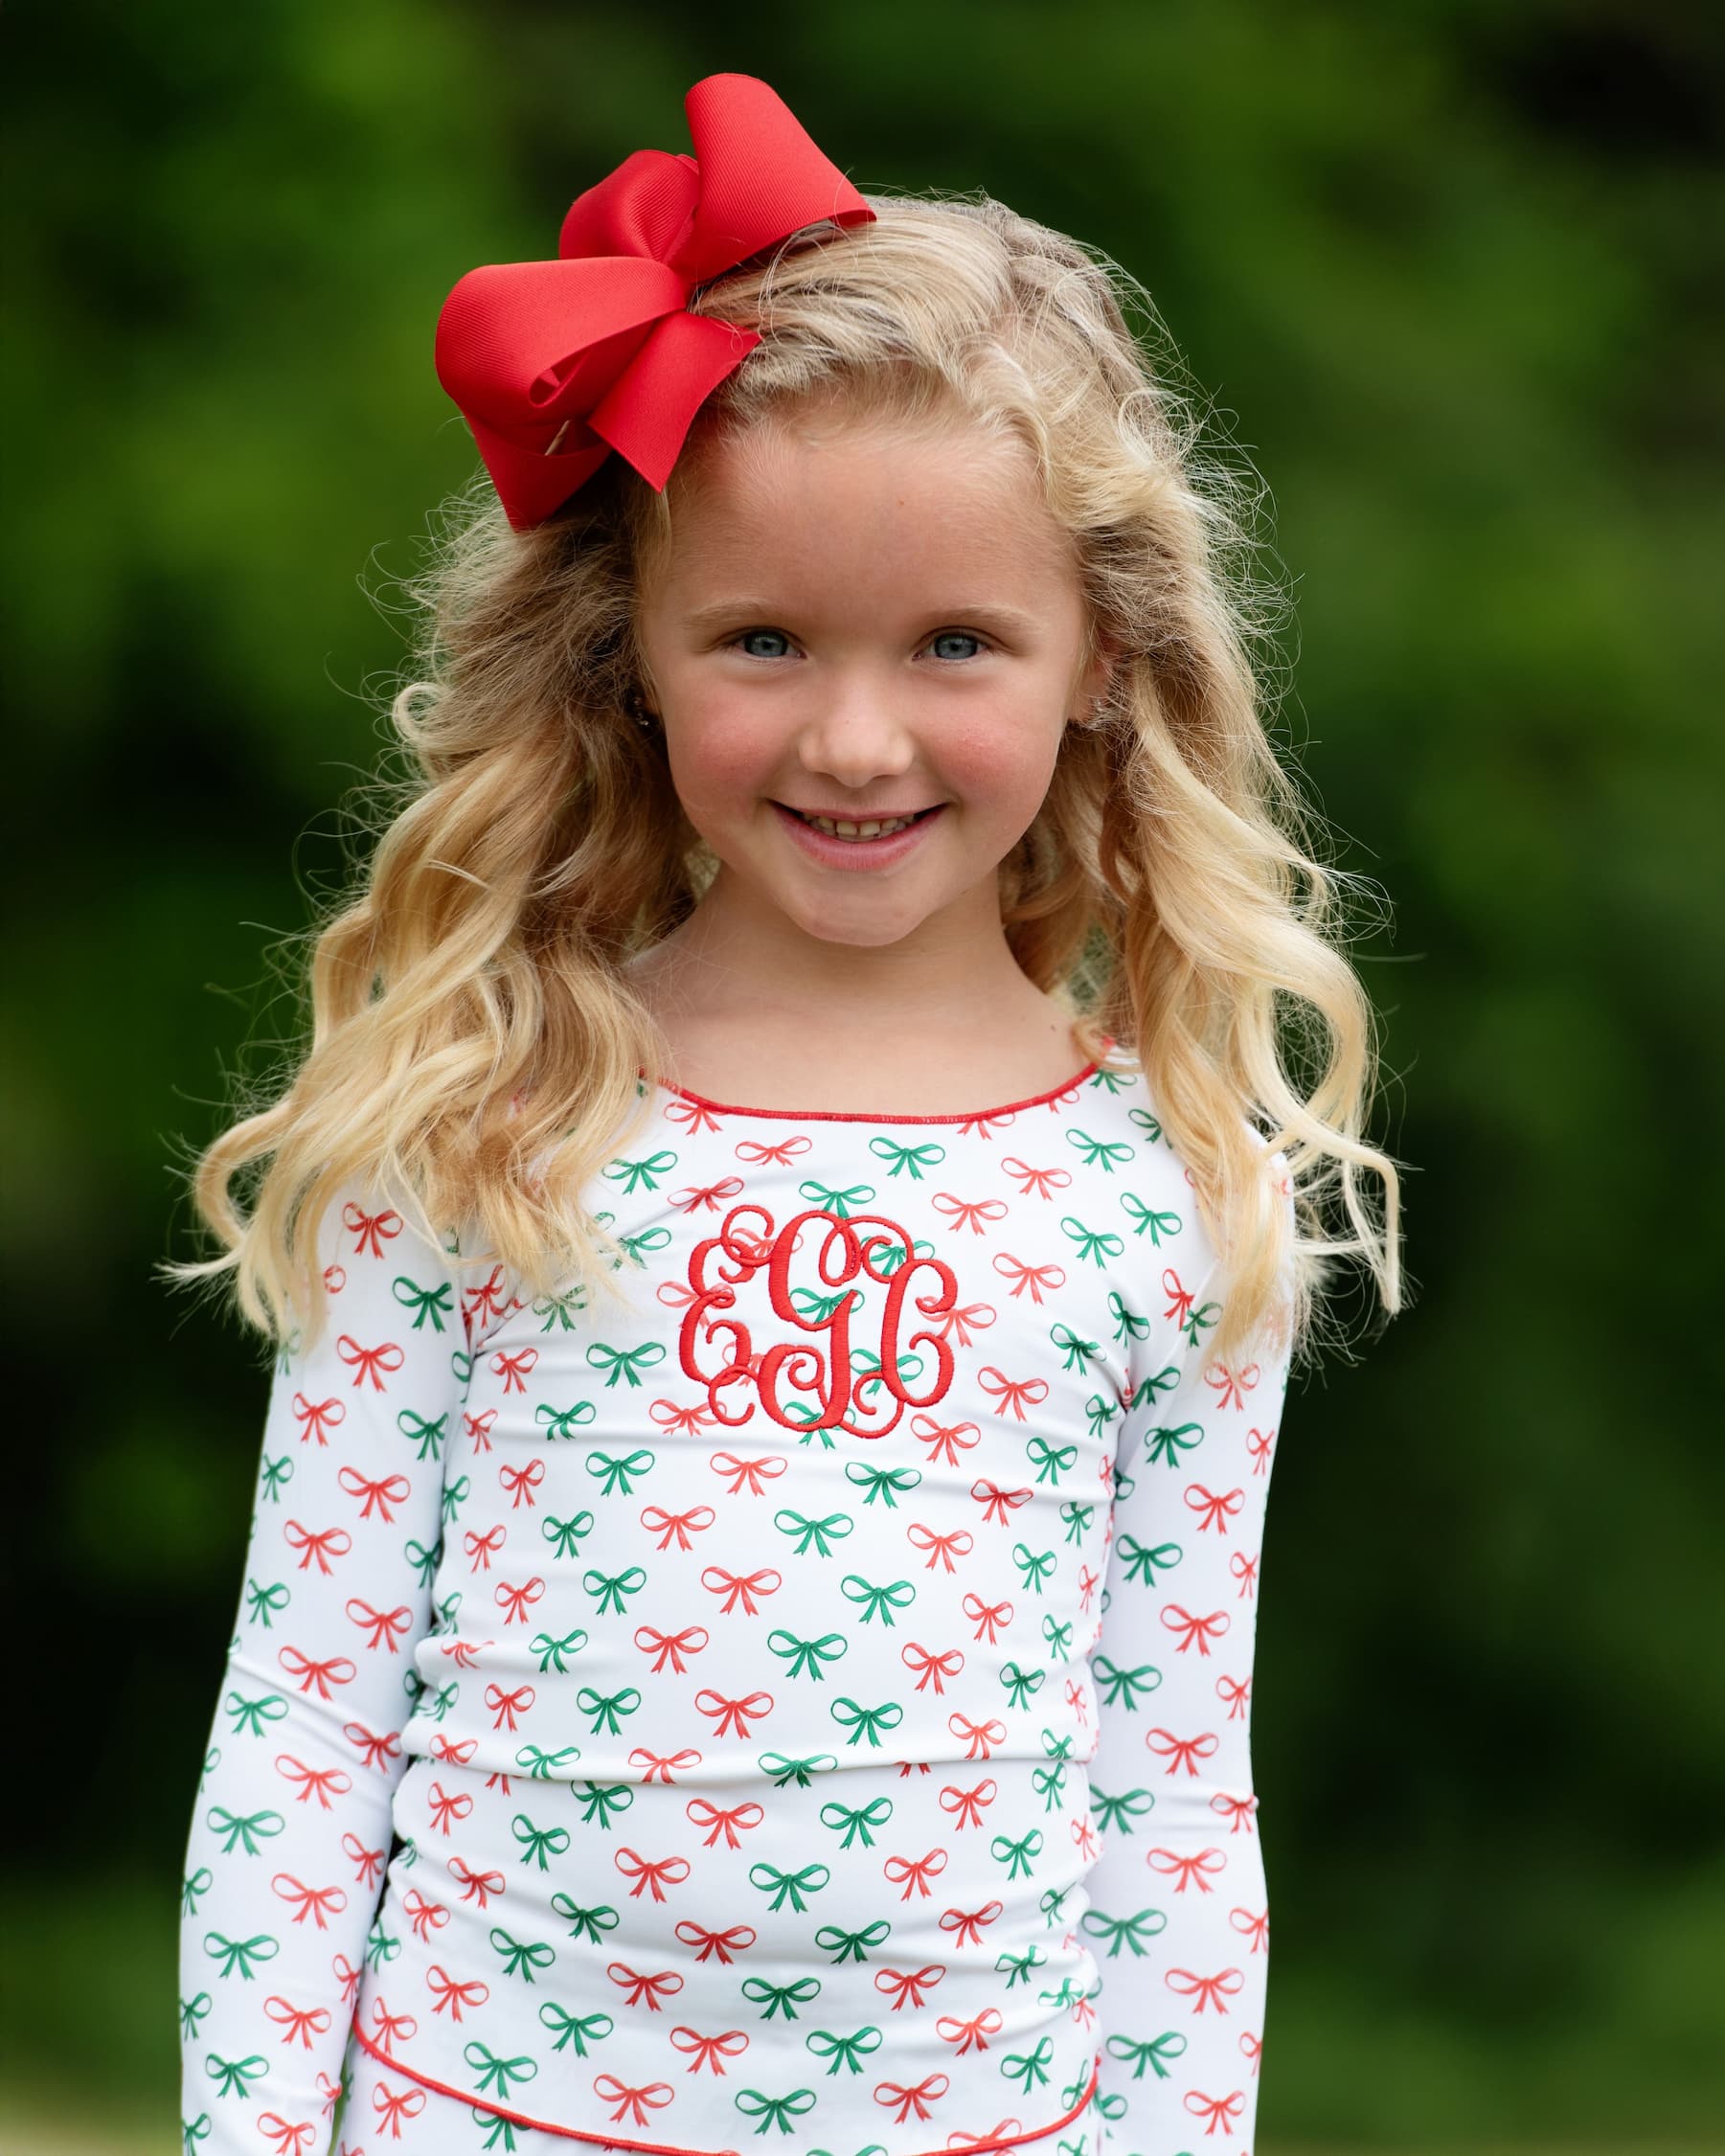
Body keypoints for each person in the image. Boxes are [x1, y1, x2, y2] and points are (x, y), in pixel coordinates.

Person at [169, 70, 1402, 2156]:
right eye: (759, 637)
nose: (852, 735)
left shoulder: (1171, 1197)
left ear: (1101, 653)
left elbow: (1167, 1787)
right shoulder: (478, 1121)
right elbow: (308, 1722)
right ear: (628, 653)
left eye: (952, 642)